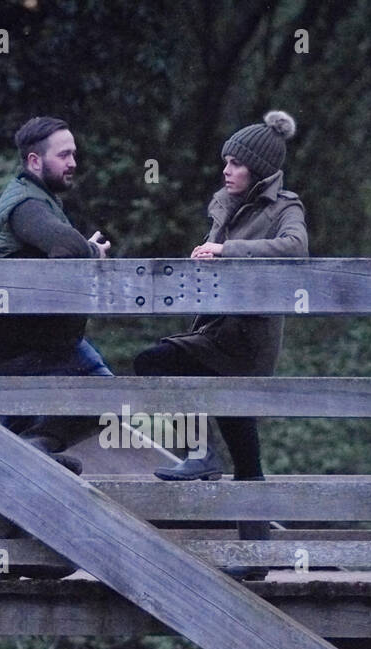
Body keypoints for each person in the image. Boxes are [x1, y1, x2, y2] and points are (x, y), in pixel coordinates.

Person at [132, 110, 307, 580]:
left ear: (258, 169)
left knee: (158, 361)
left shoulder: (283, 206)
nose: (226, 171)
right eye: (225, 162)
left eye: (234, 163)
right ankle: (257, 558)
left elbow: (295, 248)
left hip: (245, 339)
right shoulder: (225, 203)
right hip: (216, 330)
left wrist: (228, 251)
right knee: (244, 446)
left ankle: (202, 457)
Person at [0, 116, 112, 578]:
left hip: (47, 341)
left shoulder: (41, 200)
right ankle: (18, 558)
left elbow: (59, 247)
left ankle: (35, 450)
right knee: (88, 403)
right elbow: (67, 250)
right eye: (63, 155)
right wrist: (89, 252)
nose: (74, 162)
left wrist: (79, 248)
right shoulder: (25, 203)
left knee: (99, 401)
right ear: (35, 161)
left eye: (74, 153)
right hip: (12, 348)